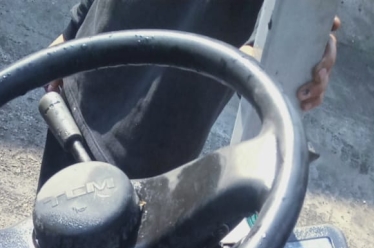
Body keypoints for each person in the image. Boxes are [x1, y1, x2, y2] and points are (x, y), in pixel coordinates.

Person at [39, 0, 340, 183]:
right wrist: (74, 29)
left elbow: (280, 41)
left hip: (147, 145)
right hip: (80, 86)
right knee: (48, 246)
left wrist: (298, 53)